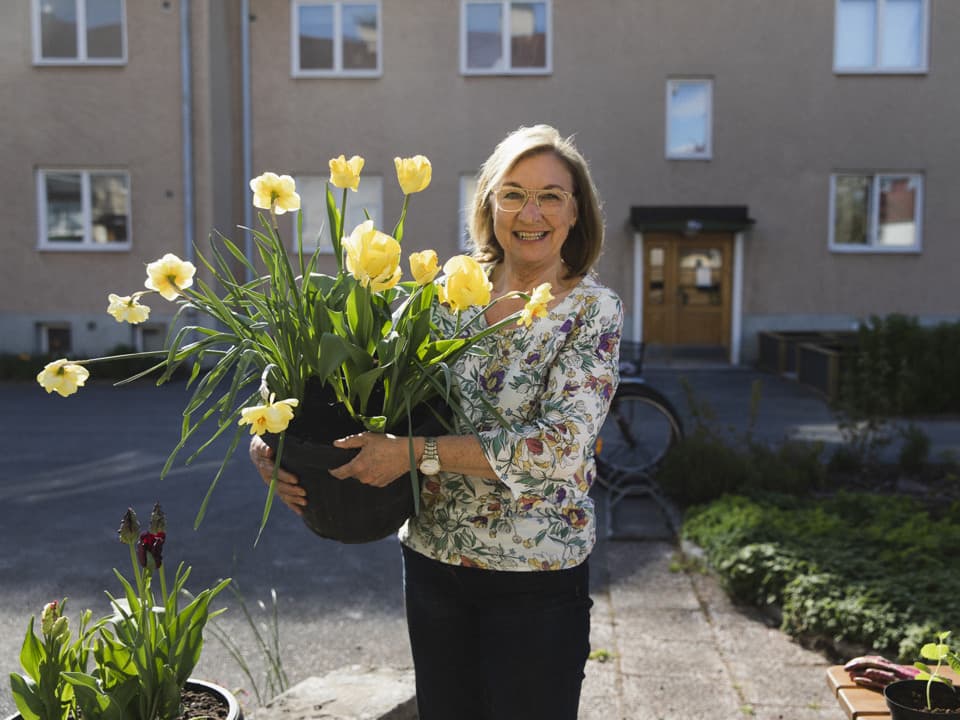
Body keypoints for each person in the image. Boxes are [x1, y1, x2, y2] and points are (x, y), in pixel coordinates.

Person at [250, 124, 622, 720]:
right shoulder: (451, 290)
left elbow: (558, 448)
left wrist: (410, 454)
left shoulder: (591, 310)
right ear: (489, 204)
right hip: (433, 562)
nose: (532, 212)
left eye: (552, 195)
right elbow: (353, 384)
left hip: (535, 576)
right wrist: (276, 441)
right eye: (514, 193)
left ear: (577, 213)